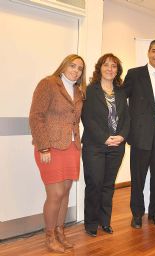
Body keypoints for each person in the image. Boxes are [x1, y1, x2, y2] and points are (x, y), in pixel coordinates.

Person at [29, 54, 86, 253]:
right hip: (50, 147)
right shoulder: (48, 84)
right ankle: (50, 236)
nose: (76, 70)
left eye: (80, 68)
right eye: (73, 66)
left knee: (65, 193)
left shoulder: (79, 91)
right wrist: (43, 146)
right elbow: (36, 116)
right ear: (63, 66)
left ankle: (61, 232)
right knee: (56, 194)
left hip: (71, 147)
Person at [123, 39, 155, 229]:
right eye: (154, 51)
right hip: (140, 136)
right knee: (138, 179)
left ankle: (154, 213)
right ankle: (137, 214)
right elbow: (121, 99)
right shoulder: (134, 74)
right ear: (148, 52)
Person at [81, 53, 130, 237]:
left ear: (117, 70)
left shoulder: (121, 91)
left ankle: (105, 221)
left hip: (117, 146)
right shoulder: (90, 90)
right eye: (106, 65)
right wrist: (104, 137)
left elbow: (127, 117)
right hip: (95, 146)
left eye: (114, 66)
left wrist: (122, 136)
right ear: (99, 67)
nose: (110, 69)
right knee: (95, 183)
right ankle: (91, 223)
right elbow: (87, 118)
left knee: (109, 185)